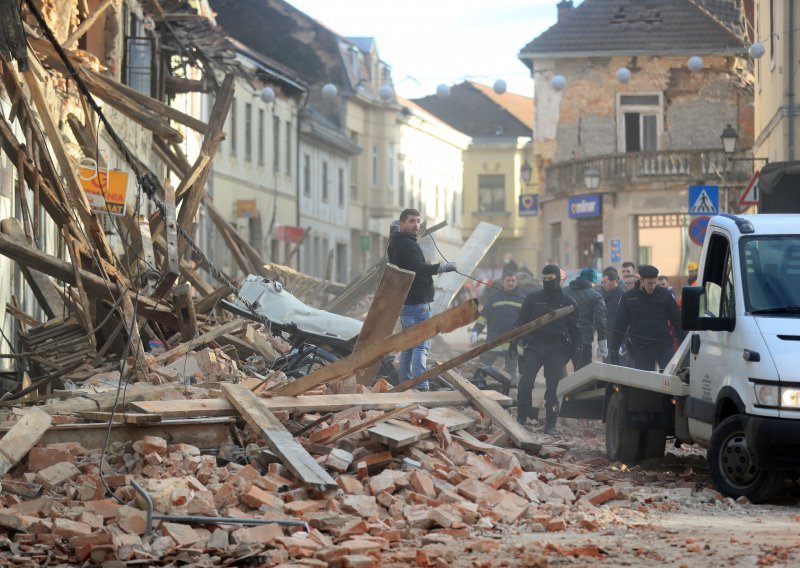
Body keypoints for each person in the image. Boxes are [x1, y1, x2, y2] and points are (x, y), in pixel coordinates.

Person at [387, 209, 457, 390]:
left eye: (418, 221)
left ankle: (404, 383)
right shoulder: (408, 245)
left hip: (407, 301)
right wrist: (442, 268)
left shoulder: (395, 242)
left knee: (408, 345)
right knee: (421, 346)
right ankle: (421, 387)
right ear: (401, 223)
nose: (416, 225)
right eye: (411, 221)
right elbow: (417, 268)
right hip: (418, 302)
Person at [508, 264, 578, 435]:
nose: (547, 282)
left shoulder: (568, 301)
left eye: (550, 279)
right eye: (544, 279)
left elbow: (575, 329)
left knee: (553, 388)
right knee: (525, 383)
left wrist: (573, 351)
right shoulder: (533, 298)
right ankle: (522, 419)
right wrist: (513, 340)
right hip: (533, 346)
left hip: (556, 348)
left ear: (557, 279)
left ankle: (551, 425)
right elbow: (521, 322)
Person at [609, 264, 684, 371]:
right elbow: (620, 324)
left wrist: (684, 340)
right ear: (642, 280)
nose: (652, 286)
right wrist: (614, 348)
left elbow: (677, 320)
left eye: (654, 282)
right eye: (649, 283)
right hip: (641, 347)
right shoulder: (629, 298)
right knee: (644, 382)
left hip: (663, 344)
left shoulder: (664, 295)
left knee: (672, 374)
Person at [469, 270, 524, 385]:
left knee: (510, 372)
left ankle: (509, 393)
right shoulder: (494, 297)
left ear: (516, 282)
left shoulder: (522, 298)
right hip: (494, 340)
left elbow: (526, 321)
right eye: (508, 280)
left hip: (513, 344)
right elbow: (484, 316)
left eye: (513, 280)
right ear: (503, 282)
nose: (510, 283)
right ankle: (477, 388)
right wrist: (475, 331)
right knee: (483, 367)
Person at [564, 268, 607, 370]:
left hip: (563, 338)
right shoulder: (595, 295)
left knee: (557, 374)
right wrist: (602, 344)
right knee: (583, 377)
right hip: (584, 340)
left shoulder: (564, 291)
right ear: (592, 282)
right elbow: (600, 321)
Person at [600, 267, 625, 362]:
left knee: (620, 373)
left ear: (614, 281)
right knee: (607, 373)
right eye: (602, 282)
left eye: (605, 282)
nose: (603, 285)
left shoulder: (622, 296)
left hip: (619, 341)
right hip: (607, 340)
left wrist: (623, 344)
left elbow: (627, 322)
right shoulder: (603, 296)